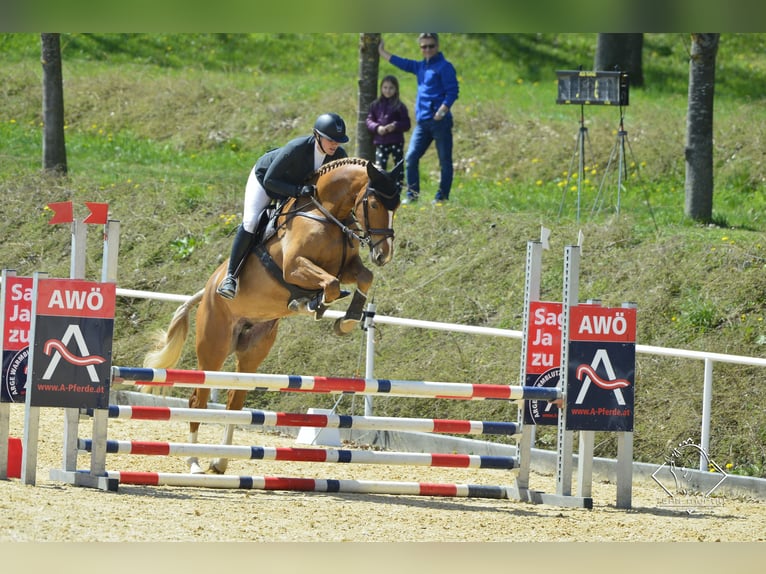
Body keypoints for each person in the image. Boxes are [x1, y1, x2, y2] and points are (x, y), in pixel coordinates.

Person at [216, 112, 349, 300]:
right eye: (330, 140)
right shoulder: (297, 148)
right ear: (317, 135)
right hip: (265, 180)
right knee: (251, 222)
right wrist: (297, 190)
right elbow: (271, 180)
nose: (335, 145)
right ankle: (231, 278)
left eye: (338, 141)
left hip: (297, 188)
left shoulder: (339, 156)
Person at [378, 33, 459, 205]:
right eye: (424, 46)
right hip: (422, 123)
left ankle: (442, 198)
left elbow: (452, 92)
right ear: (420, 48)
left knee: (444, 160)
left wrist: (441, 112)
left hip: (440, 122)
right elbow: (403, 63)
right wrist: (382, 52)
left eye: (431, 46)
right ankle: (412, 196)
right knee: (411, 157)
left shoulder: (445, 67)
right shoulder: (420, 66)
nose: (427, 49)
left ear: (437, 46)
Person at [365, 74, 411, 180]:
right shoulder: (375, 105)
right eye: (385, 87)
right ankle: (380, 190)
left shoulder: (400, 106)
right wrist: (377, 128)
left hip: (396, 141)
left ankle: (397, 189)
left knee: (398, 167)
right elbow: (369, 120)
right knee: (380, 168)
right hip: (381, 141)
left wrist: (395, 126)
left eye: (391, 88)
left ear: (396, 89)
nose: (388, 91)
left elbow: (406, 124)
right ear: (381, 88)